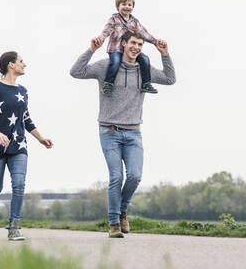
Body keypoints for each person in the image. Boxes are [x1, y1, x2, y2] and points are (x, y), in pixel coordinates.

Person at [70, 30, 176, 238]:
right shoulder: (106, 66)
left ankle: (122, 210)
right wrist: (91, 49)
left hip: (134, 132)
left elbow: (170, 78)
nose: (136, 47)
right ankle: (113, 224)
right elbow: (76, 72)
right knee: (116, 176)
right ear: (123, 44)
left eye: (140, 44)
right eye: (133, 43)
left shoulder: (143, 70)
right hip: (109, 131)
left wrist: (165, 54)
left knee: (135, 176)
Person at [0, 51, 53, 241]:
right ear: (11, 64)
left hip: (18, 145)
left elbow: (25, 118)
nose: (24, 64)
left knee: (19, 184)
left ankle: (14, 227)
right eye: (21, 61)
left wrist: (40, 138)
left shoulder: (23, 91)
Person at [95, 0, 166, 95]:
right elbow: (107, 30)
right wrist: (101, 38)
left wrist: (155, 41)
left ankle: (146, 84)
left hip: (130, 50)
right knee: (115, 62)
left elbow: (143, 33)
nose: (127, 7)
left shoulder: (134, 22)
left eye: (130, 5)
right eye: (124, 4)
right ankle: (108, 84)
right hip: (116, 49)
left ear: (133, 7)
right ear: (117, 6)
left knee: (145, 59)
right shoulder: (114, 19)